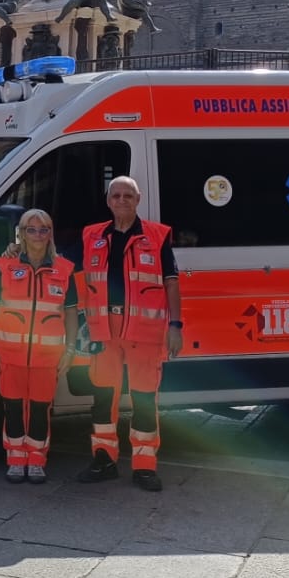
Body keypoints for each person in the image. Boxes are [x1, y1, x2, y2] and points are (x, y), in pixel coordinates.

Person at [70, 175, 182, 492]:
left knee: (145, 399)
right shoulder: (92, 235)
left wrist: (176, 325)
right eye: (116, 195)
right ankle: (104, 460)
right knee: (103, 398)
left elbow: (172, 282)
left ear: (138, 199)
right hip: (104, 330)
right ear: (108, 200)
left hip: (144, 332)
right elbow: (69, 270)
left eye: (128, 196)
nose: (122, 200)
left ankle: (144, 467)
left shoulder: (157, 237)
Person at [0, 209, 75, 483]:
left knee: (39, 409)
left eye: (43, 229)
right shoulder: (5, 266)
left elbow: (71, 312)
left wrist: (70, 349)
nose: (38, 234)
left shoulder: (64, 269)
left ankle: (36, 459)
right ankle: (15, 458)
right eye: (31, 229)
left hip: (47, 357)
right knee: (12, 407)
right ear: (21, 234)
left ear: (51, 233)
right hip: (9, 353)